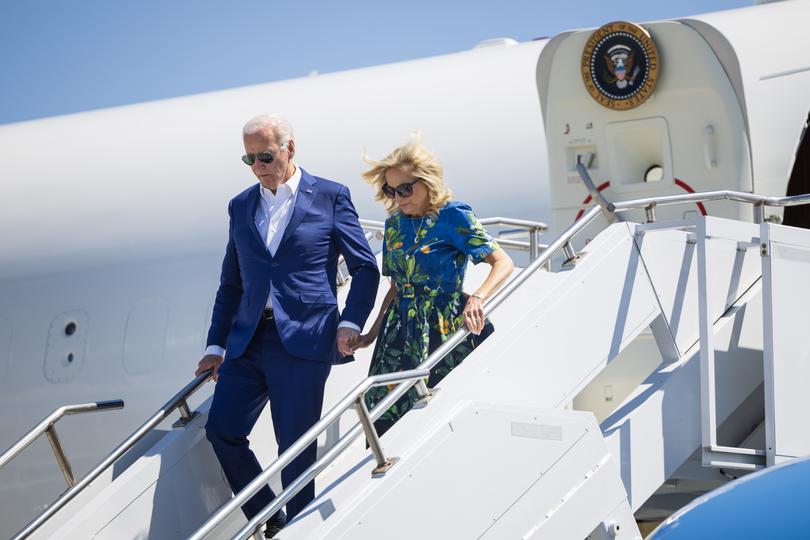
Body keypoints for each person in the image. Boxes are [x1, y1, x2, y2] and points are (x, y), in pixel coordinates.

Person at [195, 114, 379, 537]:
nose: (258, 166)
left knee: (295, 449)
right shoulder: (240, 205)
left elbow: (365, 268)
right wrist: (215, 346)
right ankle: (272, 520)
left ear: (289, 149)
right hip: (248, 341)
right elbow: (232, 283)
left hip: (305, 339)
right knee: (222, 431)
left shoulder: (331, 196)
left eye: (266, 155)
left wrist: (350, 322)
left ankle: (300, 529)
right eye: (250, 158)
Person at [352, 136, 514, 437]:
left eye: (405, 188)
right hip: (397, 332)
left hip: (442, 325)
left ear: (428, 181)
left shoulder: (453, 216)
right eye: (390, 190)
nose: (398, 197)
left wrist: (477, 299)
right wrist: (371, 335)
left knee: (442, 417)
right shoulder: (394, 225)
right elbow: (396, 288)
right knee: (386, 420)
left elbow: (502, 262)